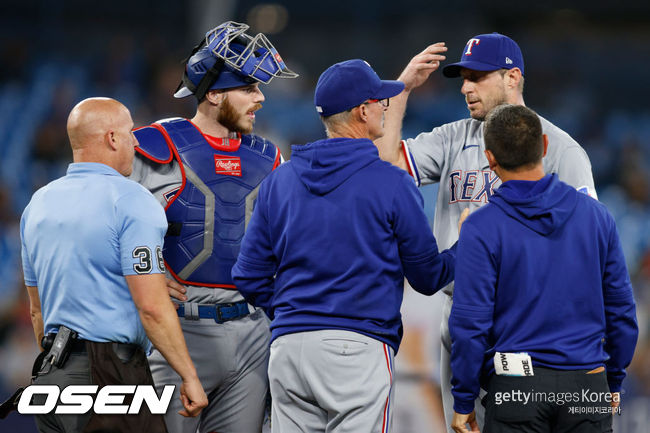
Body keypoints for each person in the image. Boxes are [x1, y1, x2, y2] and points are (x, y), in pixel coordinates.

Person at [374, 32, 598, 431]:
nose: (465, 88)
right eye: (464, 77)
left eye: (478, 77)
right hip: (459, 315)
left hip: (526, 320)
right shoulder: (453, 137)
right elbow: (386, 167)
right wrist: (402, 89)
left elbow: (587, 250)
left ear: (512, 77)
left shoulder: (562, 150)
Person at [232, 59, 461, 433]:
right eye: (379, 101)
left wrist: (296, 311)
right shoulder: (391, 182)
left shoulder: (281, 180)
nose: (384, 106)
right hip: (356, 348)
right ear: (362, 111)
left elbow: (248, 275)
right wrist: (468, 245)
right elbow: (427, 276)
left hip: (289, 347)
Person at [129, 21, 297, 433]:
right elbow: (101, 223)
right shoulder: (155, 145)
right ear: (214, 93)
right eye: (249, 88)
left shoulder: (269, 156)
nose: (260, 98)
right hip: (180, 329)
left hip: (254, 330)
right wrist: (136, 268)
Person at [20, 97, 208, 433]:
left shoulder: (38, 202)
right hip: (110, 374)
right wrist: (189, 375)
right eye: (130, 132)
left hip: (51, 374)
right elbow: (151, 307)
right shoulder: (132, 199)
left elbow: (38, 312)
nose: (136, 141)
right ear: (112, 138)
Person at [449, 104, 638, 433]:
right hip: (586, 383)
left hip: (515, 385)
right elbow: (622, 313)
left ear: (490, 158)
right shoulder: (597, 217)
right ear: (545, 147)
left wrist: (464, 400)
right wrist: (613, 381)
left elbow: (469, 325)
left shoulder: (481, 227)